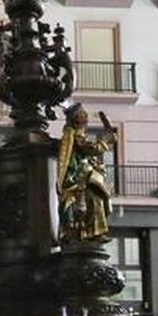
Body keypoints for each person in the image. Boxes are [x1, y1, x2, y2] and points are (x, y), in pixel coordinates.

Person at [56, 103, 115, 243]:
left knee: (96, 198)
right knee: (94, 198)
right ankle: (89, 232)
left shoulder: (77, 133)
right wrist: (105, 141)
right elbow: (89, 149)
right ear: (77, 118)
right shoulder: (72, 133)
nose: (87, 118)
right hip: (75, 178)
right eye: (83, 115)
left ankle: (93, 232)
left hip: (84, 175)